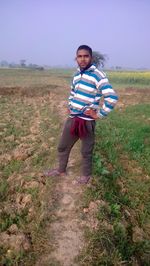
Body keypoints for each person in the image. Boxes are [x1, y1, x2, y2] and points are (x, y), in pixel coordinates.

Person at [44, 45, 118, 184]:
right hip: (73, 118)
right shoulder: (77, 75)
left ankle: (86, 176)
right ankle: (60, 170)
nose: (83, 59)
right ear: (76, 58)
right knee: (62, 146)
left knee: (86, 151)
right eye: (80, 56)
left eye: (86, 56)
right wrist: (70, 105)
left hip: (87, 121)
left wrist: (99, 114)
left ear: (91, 57)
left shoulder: (98, 75)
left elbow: (111, 97)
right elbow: (73, 92)